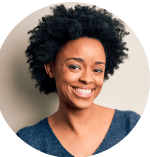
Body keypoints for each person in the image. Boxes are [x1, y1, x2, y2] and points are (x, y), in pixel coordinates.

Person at [16, 4, 140, 157]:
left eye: (97, 70)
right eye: (75, 66)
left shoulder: (131, 126)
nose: (87, 79)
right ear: (50, 69)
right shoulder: (29, 141)